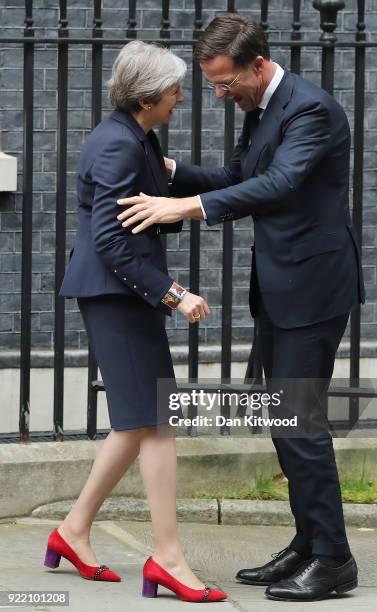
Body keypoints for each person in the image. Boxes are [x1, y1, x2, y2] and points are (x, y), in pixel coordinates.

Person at [116, 14, 365, 602]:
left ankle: (333, 558)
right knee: (283, 420)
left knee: (300, 422)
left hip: (313, 290)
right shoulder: (261, 109)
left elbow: (278, 183)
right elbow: (236, 176)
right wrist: (170, 173)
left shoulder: (312, 110)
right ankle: (308, 543)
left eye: (227, 84)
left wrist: (183, 208)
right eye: (212, 86)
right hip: (281, 288)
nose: (222, 96)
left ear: (258, 64)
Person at [46, 40, 227, 604]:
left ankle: (73, 531)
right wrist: (173, 294)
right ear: (149, 95)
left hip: (121, 296)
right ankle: (167, 558)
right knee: (156, 420)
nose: (181, 97)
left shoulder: (135, 136)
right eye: (175, 89)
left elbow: (167, 193)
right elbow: (109, 240)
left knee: (137, 421)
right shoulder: (119, 145)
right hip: (118, 296)